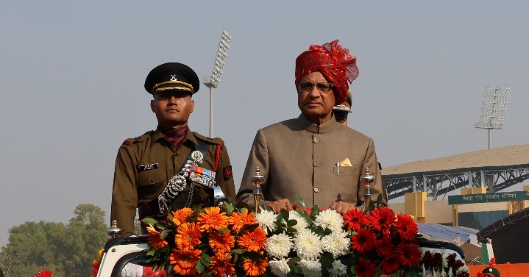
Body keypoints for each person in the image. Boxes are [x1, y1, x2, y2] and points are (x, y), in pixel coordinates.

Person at [235, 40, 382, 213]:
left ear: (336, 94)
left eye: (323, 87)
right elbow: (244, 200)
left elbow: (378, 207)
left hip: (345, 238)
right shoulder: (269, 138)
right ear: (297, 90)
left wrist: (353, 211)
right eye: (306, 86)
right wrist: (271, 207)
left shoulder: (361, 145)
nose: (313, 94)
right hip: (283, 239)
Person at [110, 62, 235, 236]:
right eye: (164, 95)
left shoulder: (214, 150)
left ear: (192, 105)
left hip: (203, 248)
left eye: (181, 95)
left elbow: (229, 205)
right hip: (151, 249)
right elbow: (123, 204)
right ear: (153, 105)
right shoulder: (133, 151)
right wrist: (124, 247)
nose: (172, 101)